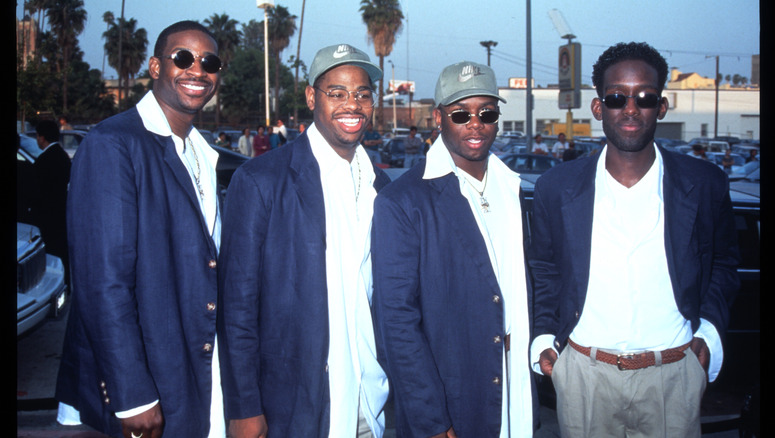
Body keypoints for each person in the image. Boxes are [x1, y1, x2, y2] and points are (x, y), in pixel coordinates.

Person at [529, 42, 740, 438]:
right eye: (616, 97)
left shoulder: (704, 183)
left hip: (674, 377)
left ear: (660, 107)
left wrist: (709, 332)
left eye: (644, 97)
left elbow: (724, 265)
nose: (630, 108)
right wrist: (544, 337)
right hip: (583, 378)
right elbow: (544, 268)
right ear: (598, 107)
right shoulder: (556, 187)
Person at [55, 20, 226, 438]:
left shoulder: (201, 153)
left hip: (193, 372)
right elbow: (101, 281)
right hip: (148, 384)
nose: (197, 71)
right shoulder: (114, 144)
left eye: (210, 62)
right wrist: (131, 392)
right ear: (154, 66)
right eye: (183, 58)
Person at [218, 43, 391, 438]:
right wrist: (244, 406)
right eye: (338, 93)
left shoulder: (381, 186)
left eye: (363, 94)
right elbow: (237, 305)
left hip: (368, 400)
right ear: (312, 97)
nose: (353, 105)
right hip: (294, 406)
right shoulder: (262, 180)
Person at [372, 61, 536, 437]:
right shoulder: (403, 201)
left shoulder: (515, 190)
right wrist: (430, 418)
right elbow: (396, 320)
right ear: (438, 118)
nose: (475, 123)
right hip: (453, 394)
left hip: (514, 387)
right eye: (461, 113)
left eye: (486, 112)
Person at [31, 119, 72, 283]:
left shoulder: (43, 161)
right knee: (62, 252)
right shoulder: (62, 156)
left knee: (51, 254)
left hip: (47, 216)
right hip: (61, 212)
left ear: (42, 138)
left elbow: (36, 192)